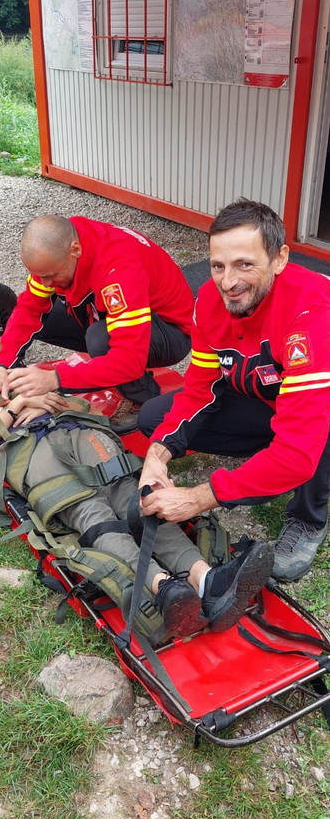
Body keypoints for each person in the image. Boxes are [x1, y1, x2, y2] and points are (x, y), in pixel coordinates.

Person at [0, 341, 274, 639]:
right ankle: (163, 587)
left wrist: (46, 398)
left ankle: (205, 577)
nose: (4, 372)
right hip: (37, 455)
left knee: (135, 497)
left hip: (80, 437)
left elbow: (82, 409)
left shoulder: (41, 387)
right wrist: (17, 404)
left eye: (10, 365)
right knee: (92, 515)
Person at [138, 198, 330, 583]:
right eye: (218, 266)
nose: (228, 282)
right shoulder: (209, 301)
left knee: (309, 442)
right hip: (274, 395)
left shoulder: (312, 315)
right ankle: (271, 458)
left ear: (279, 259)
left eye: (245, 264)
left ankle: (308, 519)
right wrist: (157, 454)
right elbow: (200, 389)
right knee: (154, 418)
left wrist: (199, 497)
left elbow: (297, 453)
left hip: (317, 394)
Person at [0, 215, 194, 432]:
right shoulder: (63, 245)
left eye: (52, 275)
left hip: (171, 331)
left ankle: (142, 397)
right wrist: (3, 365)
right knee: (43, 320)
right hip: (126, 309)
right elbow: (29, 310)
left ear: (75, 251)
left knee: (99, 339)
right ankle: (99, 363)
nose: (46, 283)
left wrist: (55, 378)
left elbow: (130, 359)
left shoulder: (120, 271)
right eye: (39, 276)